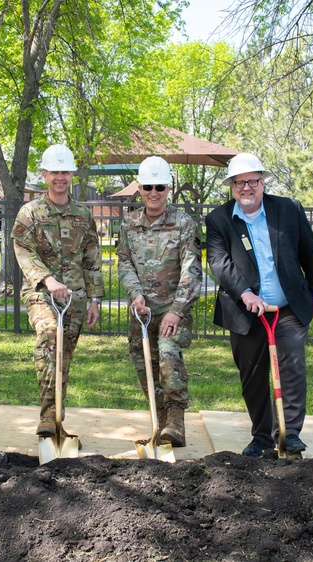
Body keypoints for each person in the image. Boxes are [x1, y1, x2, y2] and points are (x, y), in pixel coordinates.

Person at [205, 153, 313, 457]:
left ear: (262, 182)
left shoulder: (287, 208)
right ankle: (262, 436)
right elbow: (219, 261)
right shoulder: (219, 219)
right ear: (231, 186)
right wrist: (245, 293)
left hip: (286, 307)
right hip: (245, 312)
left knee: (292, 365)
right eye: (240, 182)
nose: (247, 187)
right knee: (253, 375)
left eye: (253, 181)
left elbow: (309, 252)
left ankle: (290, 433)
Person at [12, 144, 104, 437]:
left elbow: (92, 257)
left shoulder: (82, 215)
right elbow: (23, 250)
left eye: (65, 172)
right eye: (55, 172)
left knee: (63, 355)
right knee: (50, 334)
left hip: (74, 297)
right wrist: (48, 279)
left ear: (72, 175)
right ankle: (48, 415)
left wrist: (94, 299)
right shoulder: (30, 213)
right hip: (41, 292)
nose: (60, 177)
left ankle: (57, 417)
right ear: (45, 175)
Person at [117, 156, 202, 447]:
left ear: (169, 188)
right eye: (148, 187)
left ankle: (176, 422)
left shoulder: (183, 224)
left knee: (167, 356)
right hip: (142, 312)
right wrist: (136, 295)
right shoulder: (128, 223)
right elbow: (125, 262)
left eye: (161, 187)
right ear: (139, 188)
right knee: (146, 366)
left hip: (172, 310)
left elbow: (192, 271)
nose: (154, 192)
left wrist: (176, 311)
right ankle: (159, 424)